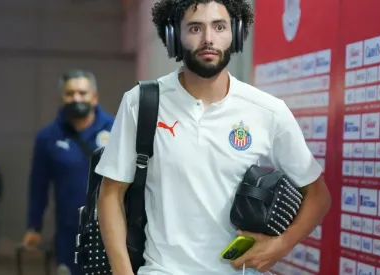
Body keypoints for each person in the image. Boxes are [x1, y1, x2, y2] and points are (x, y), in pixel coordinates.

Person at [95, 1, 331, 275]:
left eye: (219, 27)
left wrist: (283, 244)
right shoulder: (142, 102)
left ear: (237, 32)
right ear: (173, 35)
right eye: (195, 28)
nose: (208, 39)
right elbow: (111, 193)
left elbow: (318, 195)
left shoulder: (268, 110)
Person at [22, 69, 114, 275]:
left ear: (95, 97)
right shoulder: (48, 137)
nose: (76, 98)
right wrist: (33, 226)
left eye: (82, 93)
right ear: (61, 98)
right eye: (70, 94)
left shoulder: (117, 129)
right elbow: (39, 185)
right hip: (69, 234)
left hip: (112, 231)